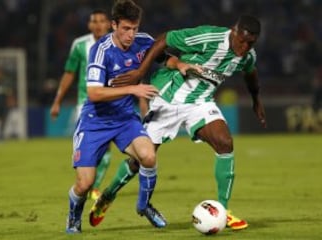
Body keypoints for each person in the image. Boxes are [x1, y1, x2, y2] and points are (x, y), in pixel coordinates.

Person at [90, 15, 267, 230]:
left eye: (251, 44)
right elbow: (165, 39)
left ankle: (222, 209)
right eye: (242, 41)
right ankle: (107, 196)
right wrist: (139, 72)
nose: (245, 47)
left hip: (200, 103)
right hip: (168, 97)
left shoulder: (247, 56)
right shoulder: (209, 37)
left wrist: (256, 99)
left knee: (224, 142)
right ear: (233, 32)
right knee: (140, 161)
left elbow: (251, 72)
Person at [65, 0, 167, 233]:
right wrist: (133, 88)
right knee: (85, 184)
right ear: (114, 25)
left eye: (135, 28)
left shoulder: (143, 42)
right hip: (94, 121)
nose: (131, 34)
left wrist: (179, 63)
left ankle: (144, 206)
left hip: (124, 119)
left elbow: (163, 56)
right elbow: (94, 92)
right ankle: (73, 216)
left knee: (148, 156)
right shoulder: (100, 50)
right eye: (125, 29)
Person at [50, 9, 111, 200]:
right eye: (95, 21)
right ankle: (85, 183)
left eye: (102, 21)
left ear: (109, 24)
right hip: (85, 104)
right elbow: (69, 73)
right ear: (89, 25)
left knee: (106, 147)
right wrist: (57, 100)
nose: (99, 24)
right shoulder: (80, 45)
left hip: (110, 103)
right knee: (87, 148)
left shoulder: (116, 43)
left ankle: (94, 187)